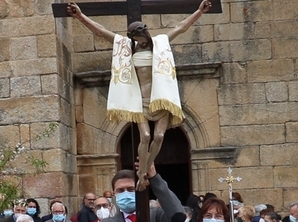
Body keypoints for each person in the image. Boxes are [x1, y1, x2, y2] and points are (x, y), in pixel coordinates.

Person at [68, 1, 211, 186]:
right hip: (139, 100)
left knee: (159, 137)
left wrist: (199, 12)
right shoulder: (127, 47)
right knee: (145, 136)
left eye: (141, 36)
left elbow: (180, 27)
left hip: (159, 99)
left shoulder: (160, 43)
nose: (139, 40)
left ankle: (144, 170)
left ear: (145, 33)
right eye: (136, 37)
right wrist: (80, 16)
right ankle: (142, 174)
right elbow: (101, 31)